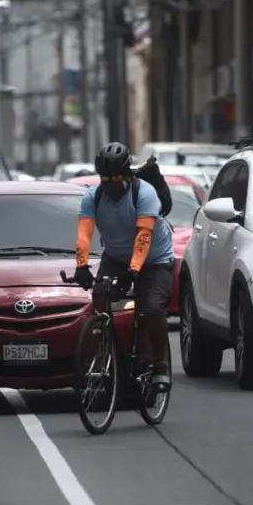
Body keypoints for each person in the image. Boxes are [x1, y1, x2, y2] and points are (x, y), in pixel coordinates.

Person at [73, 141, 176, 389]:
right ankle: (106, 350)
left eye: (116, 180)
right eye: (105, 180)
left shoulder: (145, 193)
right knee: (100, 295)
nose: (110, 187)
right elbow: (85, 235)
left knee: (151, 309)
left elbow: (144, 236)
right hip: (117, 257)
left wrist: (134, 270)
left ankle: (160, 365)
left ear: (128, 176)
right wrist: (81, 266)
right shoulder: (93, 197)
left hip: (155, 260)